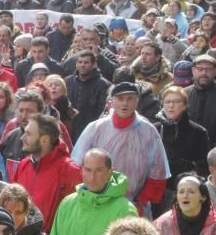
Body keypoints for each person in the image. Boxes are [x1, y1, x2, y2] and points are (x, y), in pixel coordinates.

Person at [71, 81, 170, 213]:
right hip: (96, 202)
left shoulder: (149, 132)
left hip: (134, 206)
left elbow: (158, 174)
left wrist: (140, 203)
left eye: (130, 99)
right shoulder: (95, 128)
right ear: (112, 101)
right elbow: (77, 167)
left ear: (137, 101)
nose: (125, 103)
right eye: (120, 98)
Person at [12, 113, 82, 232]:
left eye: (28, 134)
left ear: (44, 139)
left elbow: (77, 216)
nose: (22, 138)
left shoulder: (70, 171)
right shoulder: (24, 164)